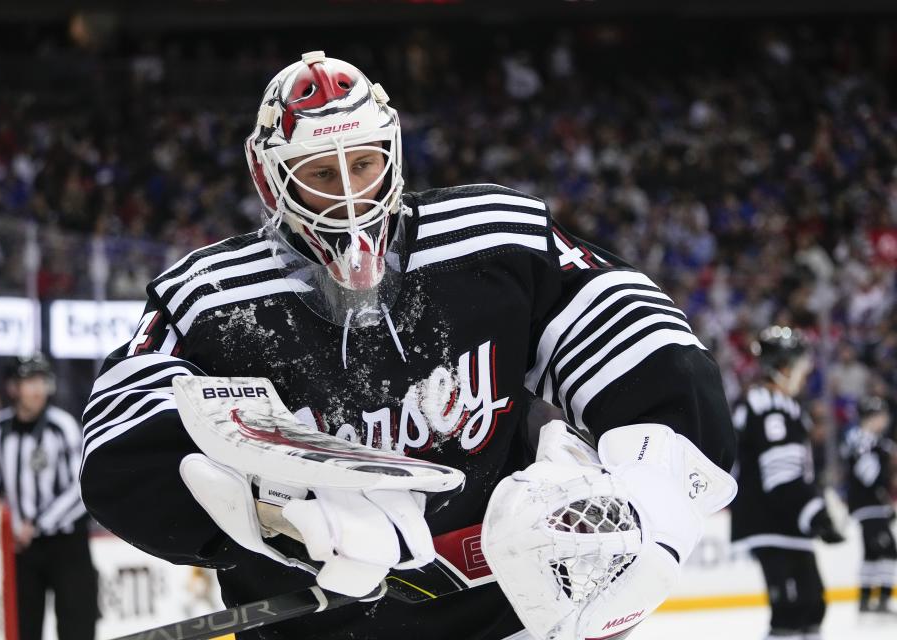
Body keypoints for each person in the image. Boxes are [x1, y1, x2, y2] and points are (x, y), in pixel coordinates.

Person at [79, 51, 736, 639]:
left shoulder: (492, 238)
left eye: (363, 164)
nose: (350, 196)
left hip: (500, 619)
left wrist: (657, 464)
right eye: (321, 174)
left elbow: (624, 319)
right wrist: (275, 519)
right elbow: (120, 440)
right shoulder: (207, 297)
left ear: (392, 155)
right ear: (270, 177)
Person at [0, 353, 99, 640]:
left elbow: (80, 487)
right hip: (22, 550)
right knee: (23, 629)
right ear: (12, 387)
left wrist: (38, 523)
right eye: (29, 381)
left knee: (77, 626)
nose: (38, 389)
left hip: (67, 546)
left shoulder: (62, 426)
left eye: (41, 380)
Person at [730, 326, 845, 640]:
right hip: (772, 520)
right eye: (800, 367)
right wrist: (816, 514)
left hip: (787, 521)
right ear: (783, 368)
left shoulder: (781, 406)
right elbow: (781, 477)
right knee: (791, 611)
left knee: (811, 606)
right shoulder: (768, 407)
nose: (805, 374)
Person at [843, 395, 897, 614]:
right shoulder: (861, 439)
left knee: (872, 553)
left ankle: (865, 599)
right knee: (889, 549)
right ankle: (883, 598)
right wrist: (889, 478)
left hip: (873, 505)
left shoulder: (876, 441)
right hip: (868, 505)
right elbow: (869, 475)